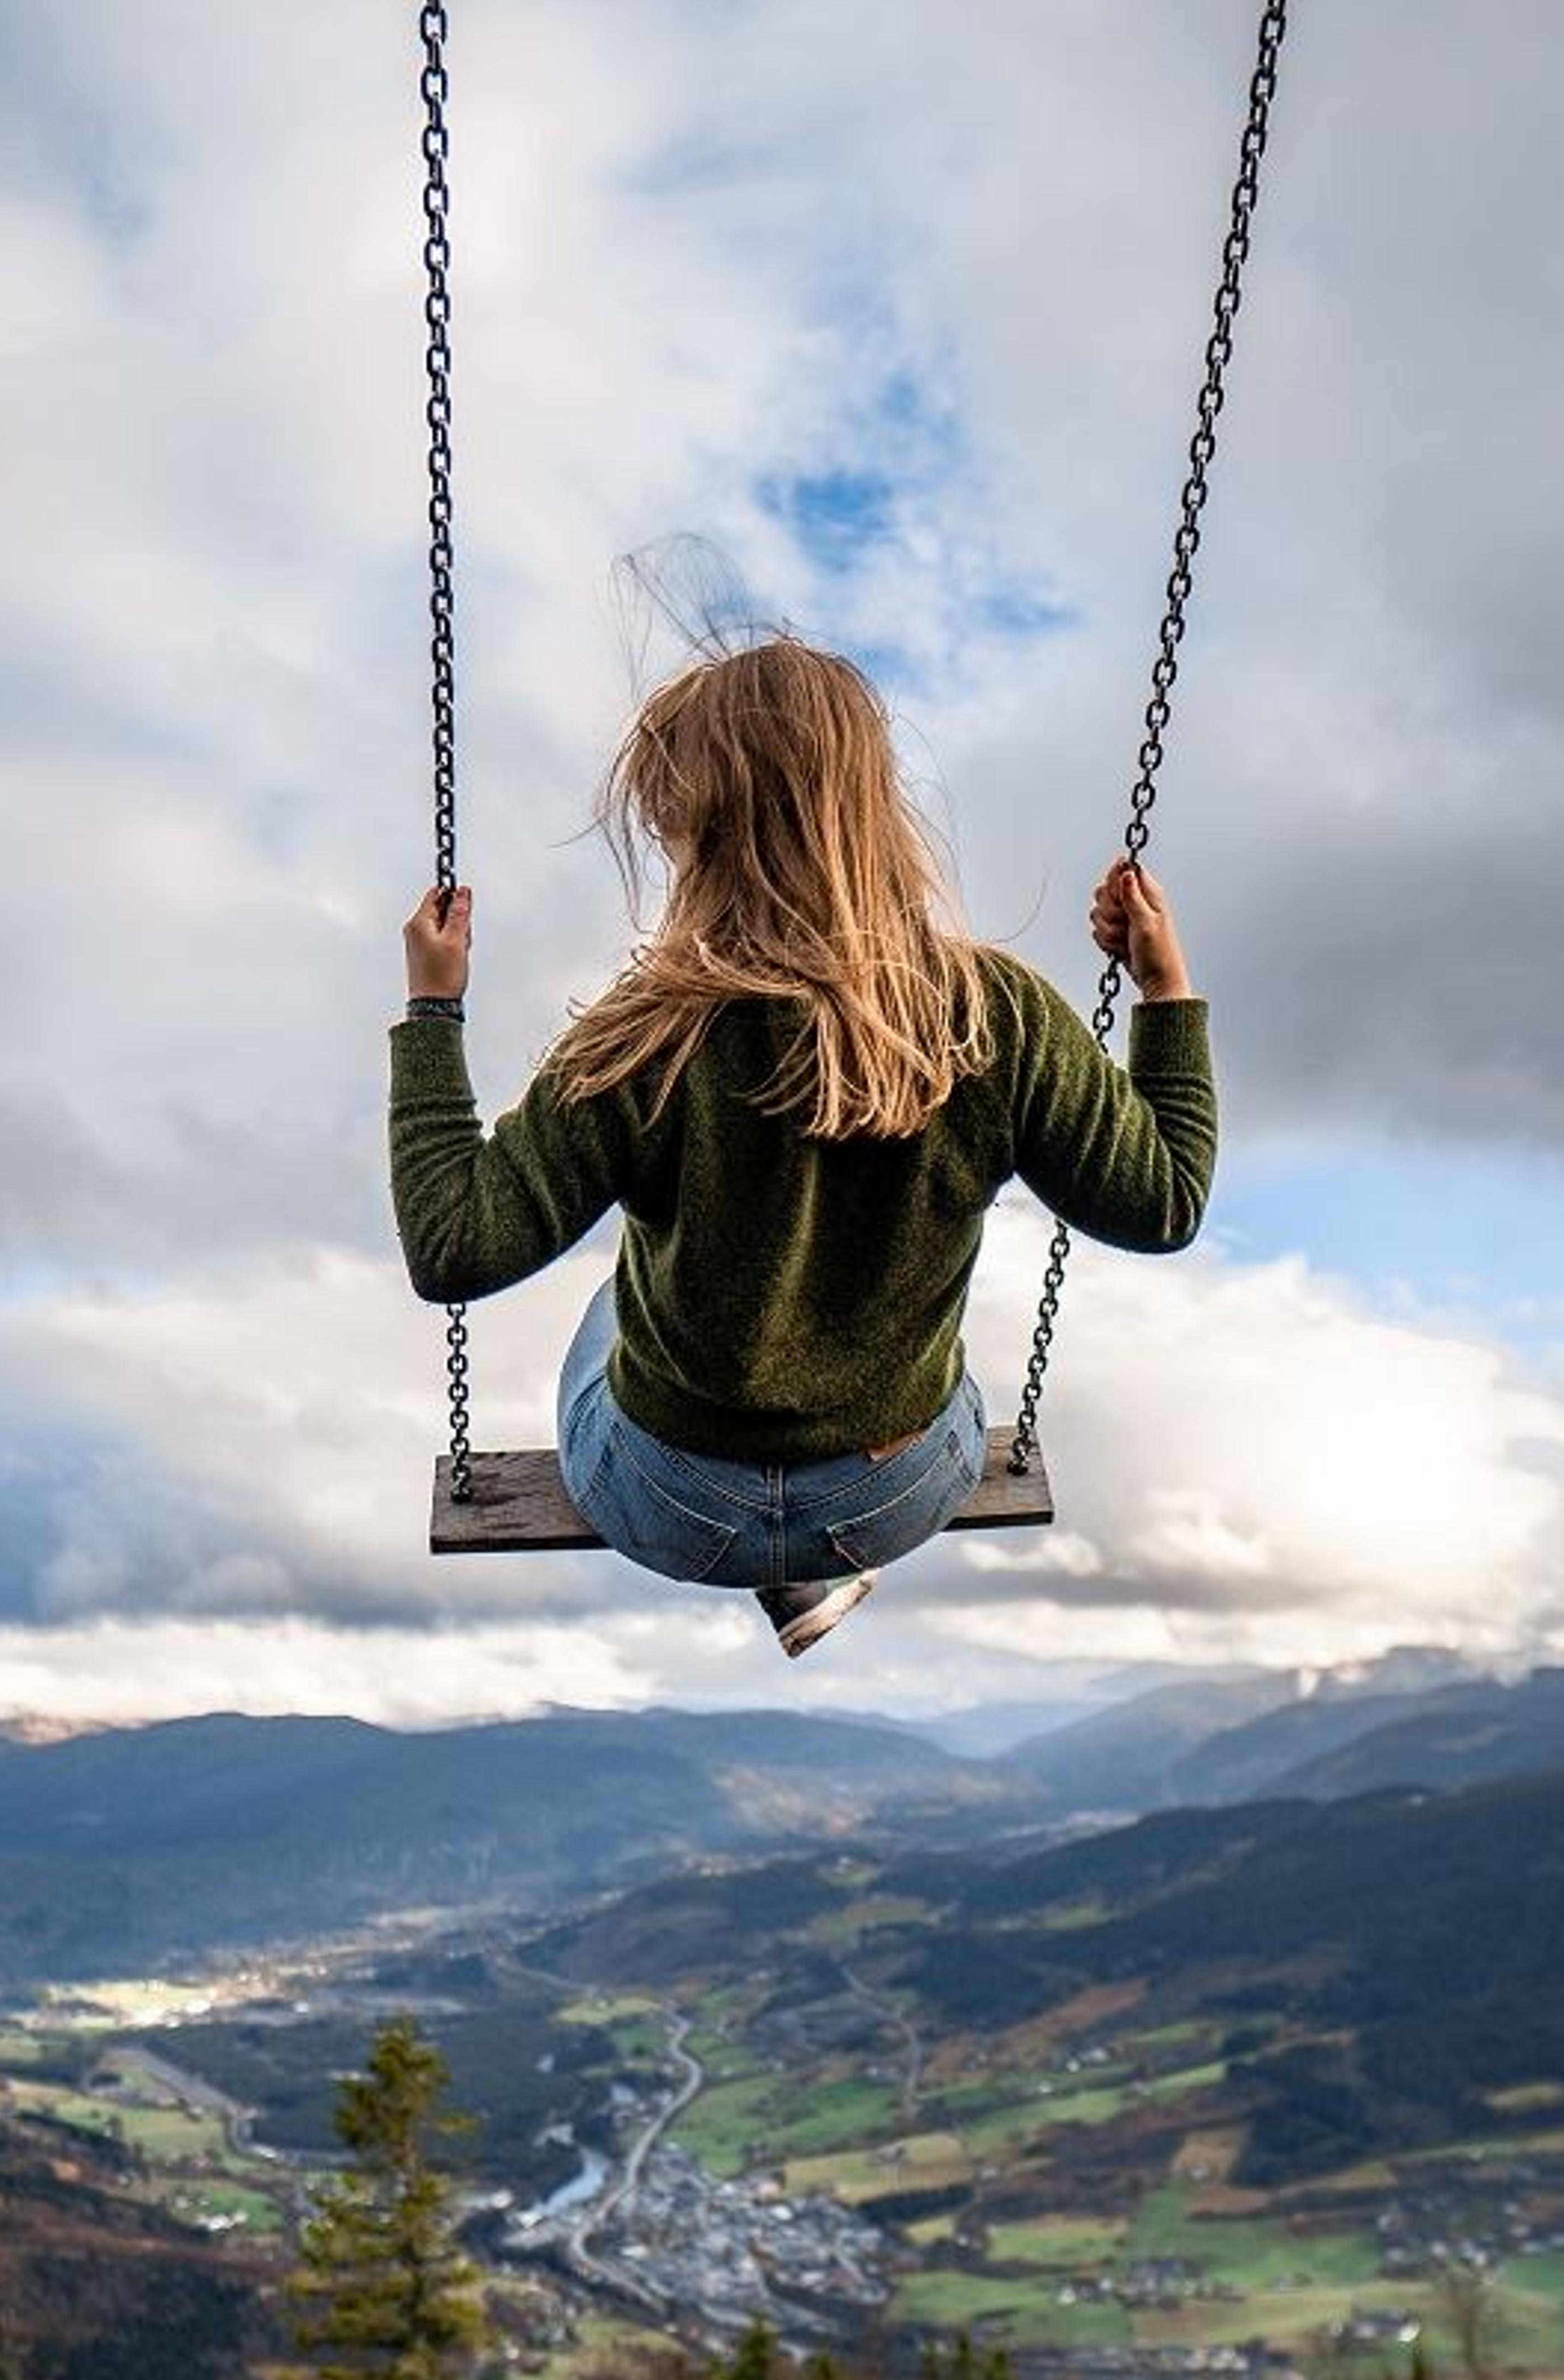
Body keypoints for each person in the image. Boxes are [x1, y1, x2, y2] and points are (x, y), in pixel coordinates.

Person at [389, 636, 1215, 1658]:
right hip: (892, 1492)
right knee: (929, 1359)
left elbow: (452, 1247)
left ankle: (786, 1550)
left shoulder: (646, 1034)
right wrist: (1165, 992)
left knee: (615, 1301)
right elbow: (1166, 1201)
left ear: (694, 835)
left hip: (668, 1503)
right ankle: (816, 1562)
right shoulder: (991, 1017)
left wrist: (434, 1011)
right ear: (872, 808)